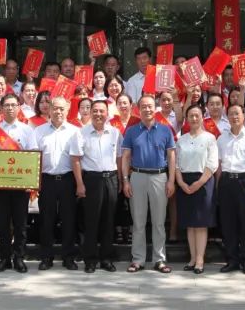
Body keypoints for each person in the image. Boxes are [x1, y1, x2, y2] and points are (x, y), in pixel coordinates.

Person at [121, 94, 177, 274]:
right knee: (138, 222)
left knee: (159, 222)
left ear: (155, 108)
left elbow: (171, 156)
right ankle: (138, 259)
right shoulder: (131, 131)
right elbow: (126, 157)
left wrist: (171, 180)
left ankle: (159, 259)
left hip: (159, 177)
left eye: (150, 106)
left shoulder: (165, 130)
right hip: (137, 177)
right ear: (138, 109)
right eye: (143, 106)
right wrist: (125, 180)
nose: (147, 109)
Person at [0, 93, 37, 273]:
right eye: (6, 105)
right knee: (2, 224)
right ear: (1, 108)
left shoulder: (27, 130)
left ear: (18, 108)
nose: (10, 108)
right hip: (0, 185)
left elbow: (33, 156)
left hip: (20, 185)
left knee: (20, 224)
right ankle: (4, 258)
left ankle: (19, 258)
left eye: (13, 105)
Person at [32, 96, 83, 271]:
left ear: (67, 110)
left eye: (62, 108)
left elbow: (78, 159)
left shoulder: (75, 131)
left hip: (68, 180)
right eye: (55, 108)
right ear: (49, 109)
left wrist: (79, 183)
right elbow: (35, 159)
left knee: (69, 219)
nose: (58, 112)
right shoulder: (38, 131)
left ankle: (69, 257)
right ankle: (46, 257)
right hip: (47, 180)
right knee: (46, 220)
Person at [73, 100, 122, 273]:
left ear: (107, 113)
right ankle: (90, 259)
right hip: (91, 180)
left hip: (111, 178)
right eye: (95, 111)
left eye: (102, 111)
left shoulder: (115, 133)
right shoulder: (81, 133)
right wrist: (80, 184)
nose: (98, 114)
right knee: (91, 221)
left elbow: (119, 158)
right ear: (90, 112)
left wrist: (121, 180)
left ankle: (106, 258)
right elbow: (75, 159)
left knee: (109, 221)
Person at [216, 104, 245, 274]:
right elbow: (219, 165)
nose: (234, 117)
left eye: (237, 113)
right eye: (231, 114)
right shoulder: (221, 138)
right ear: (227, 117)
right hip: (227, 181)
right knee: (228, 222)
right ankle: (232, 260)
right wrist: (218, 186)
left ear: (244, 116)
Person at [174, 104, 218, 274]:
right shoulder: (181, 140)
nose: (193, 119)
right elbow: (176, 164)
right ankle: (192, 258)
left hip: (203, 181)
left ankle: (200, 260)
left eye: (197, 115)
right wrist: (181, 182)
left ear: (202, 117)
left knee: (200, 223)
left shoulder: (209, 138)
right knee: (189, 223)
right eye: (190, 116)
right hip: (185, 182)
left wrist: (199, 183)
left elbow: (212, 163)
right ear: (186, 118)